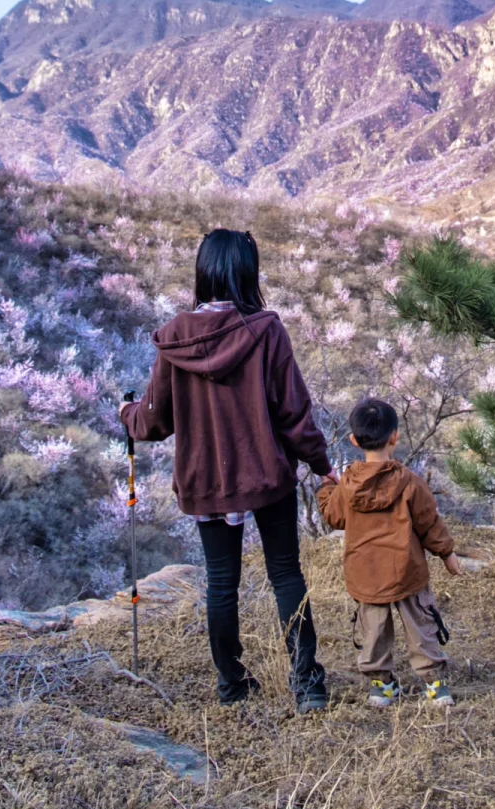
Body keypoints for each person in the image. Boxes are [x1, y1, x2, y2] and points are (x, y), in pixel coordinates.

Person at [120, 228, 334, 713]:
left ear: (203, 272)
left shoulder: (174, 338)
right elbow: (294, 414)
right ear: (247, 274)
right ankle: (308, 685)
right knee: (285, 573)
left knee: (222, 583)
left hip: (206, 480)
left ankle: (232, 685)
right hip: (266, 475)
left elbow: (152, 421)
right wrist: (323, 465)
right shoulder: (265, 331)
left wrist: (124, 413)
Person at [318, 396, 461, 707]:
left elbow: (334, 516)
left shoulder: (347, 484)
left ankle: (382, 687)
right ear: (395, 437)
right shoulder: (410, 482)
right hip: (406, 570)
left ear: (354, 440)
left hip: (365, 574)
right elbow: (428, 523)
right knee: (421, 626)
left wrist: (327, 489)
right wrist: (447, 554)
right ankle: (435, 685)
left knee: (373, 631)